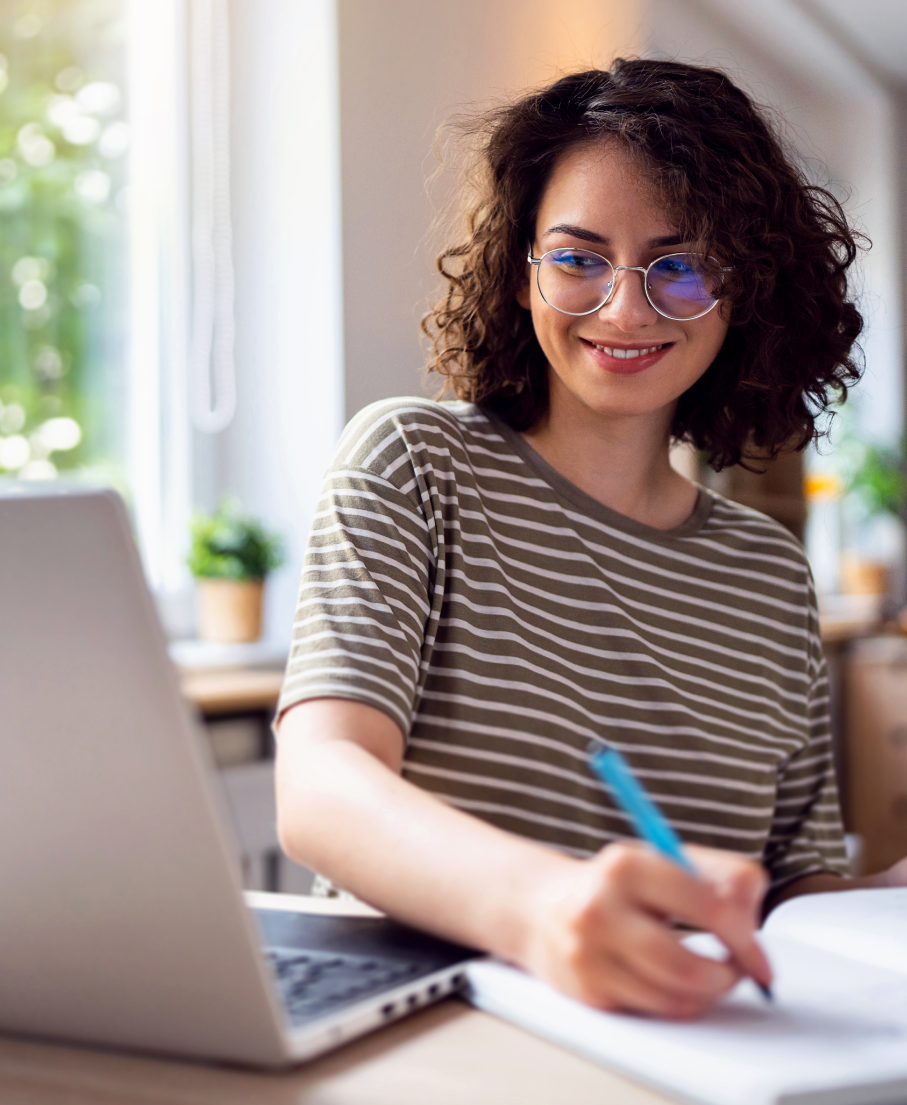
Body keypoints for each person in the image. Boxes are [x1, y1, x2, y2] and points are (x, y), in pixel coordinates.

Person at [274, 57, 907, 1020]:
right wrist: (543, 908)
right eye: (578, 258)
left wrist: (885, 894)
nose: (624, 308)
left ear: (745, 290)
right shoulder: (413, 462)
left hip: (687, 1040)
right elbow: (321, 787)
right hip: (434, 1035)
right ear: (521, 270)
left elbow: (789, 896)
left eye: (680, 265)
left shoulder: (771, 575)